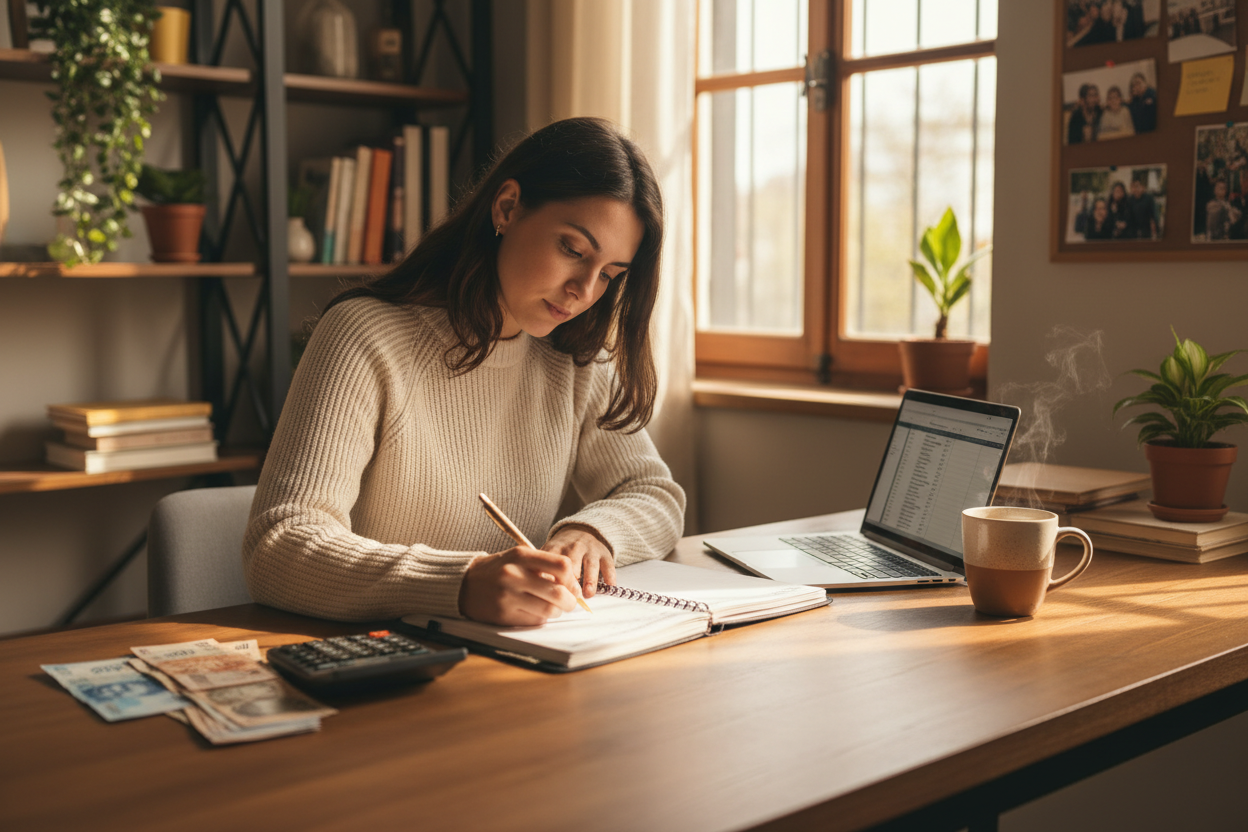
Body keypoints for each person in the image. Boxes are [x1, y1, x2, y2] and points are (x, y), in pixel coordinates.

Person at [242, 117, 686, 627]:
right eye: (572, 250)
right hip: (383, 661)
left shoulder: (574, 358)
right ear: (507, 207)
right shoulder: (365, 337)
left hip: (515, 662)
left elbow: (654, 492)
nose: (584, 291)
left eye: (609, 274)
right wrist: (459, 583)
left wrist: (594, 532)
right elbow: (277, 546)